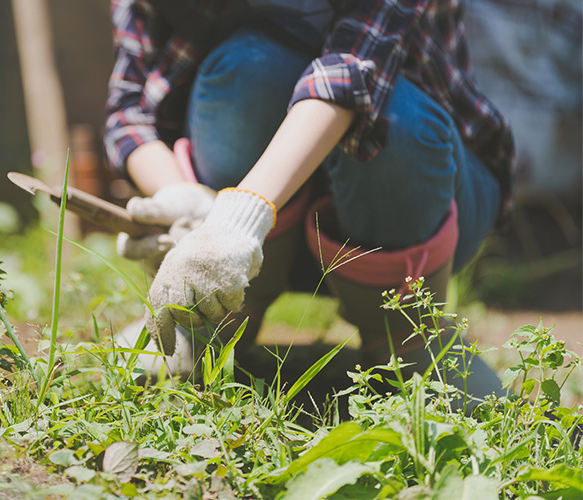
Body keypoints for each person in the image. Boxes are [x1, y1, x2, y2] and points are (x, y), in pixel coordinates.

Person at [104, 0, 515, 401]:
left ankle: (408, 340)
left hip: (421, 190)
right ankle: (216, 319)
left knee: (395, 122)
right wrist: (188, 201)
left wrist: (239, 216)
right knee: (249, 67)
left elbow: (348, 74)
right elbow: (129, 111)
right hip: (261, 210)